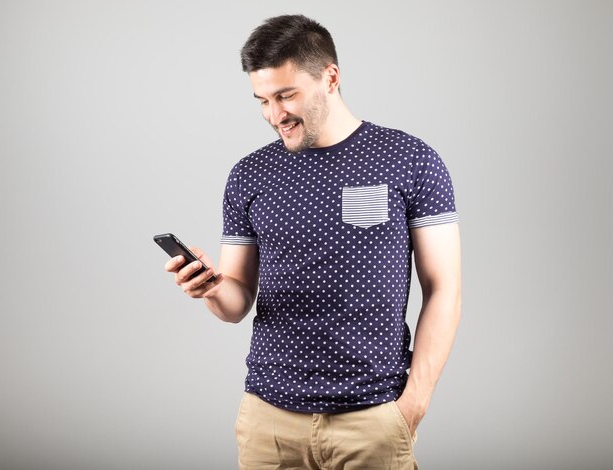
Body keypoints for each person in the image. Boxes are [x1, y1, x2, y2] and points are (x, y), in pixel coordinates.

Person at [165, 14, 461, 470]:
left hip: (372, 418)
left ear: (330, 77)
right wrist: (208, 287)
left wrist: (414, 403)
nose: (274, 115)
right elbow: (235, 302)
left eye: (286, 95)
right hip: (269, 421)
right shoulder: (250, 174)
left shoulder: (410, 160)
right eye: (262, 100)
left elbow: (444, 288)